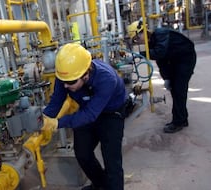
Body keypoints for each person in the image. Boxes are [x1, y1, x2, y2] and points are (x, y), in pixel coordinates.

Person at [41, 43, 127, 190]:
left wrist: (57, 123)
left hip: (111, 113)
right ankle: (101, 185)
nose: (66, 86)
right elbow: (57, 100)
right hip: (87, 109)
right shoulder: (66, 75)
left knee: (112, 161)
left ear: (86, 74)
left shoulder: (107, 79)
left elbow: (90, 115)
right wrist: (43, 119)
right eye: (63, 82)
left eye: (70, 83)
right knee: (82, 153)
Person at [127, 20, 197, 133]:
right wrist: (167, 78)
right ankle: (182, 119)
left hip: (186, 58)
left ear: (142, 32)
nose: (137, 42)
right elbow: (162, 62)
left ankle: (178, 122)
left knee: (179, 90)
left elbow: (160, 53)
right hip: (174, 60)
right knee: (175, 90)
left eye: (136, 38)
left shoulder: (160, 34)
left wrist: (140, 54)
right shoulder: (151, 44)